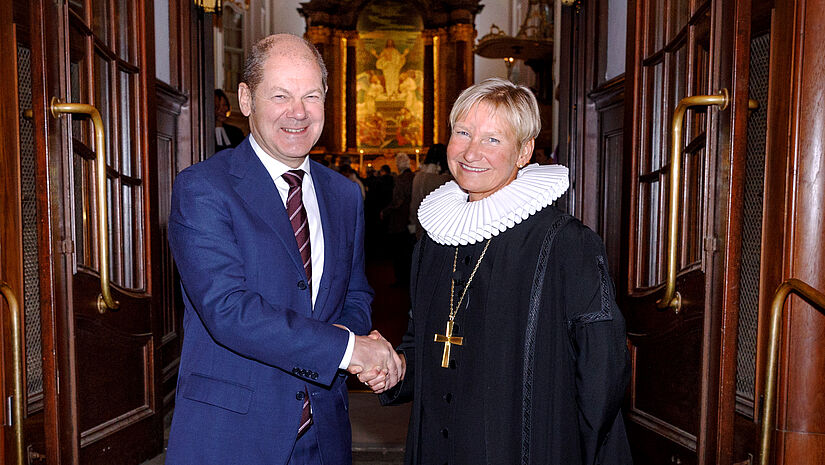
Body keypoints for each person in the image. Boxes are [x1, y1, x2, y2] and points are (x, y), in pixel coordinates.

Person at [166, 34, 403, 465]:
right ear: (246, 99)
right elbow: (229, 311)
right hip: (234, 436)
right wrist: (350, 351)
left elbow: (355, 295)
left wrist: (356, 349)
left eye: (311, 96)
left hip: (324, 433)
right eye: (280, 95)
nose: (298, 113)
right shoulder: (203, 189)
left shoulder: (344, 195)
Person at [373, 78, 632, 464]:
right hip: (438, 446)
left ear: (524, 151)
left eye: (493, 139)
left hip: (526, 447)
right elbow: (422, 343)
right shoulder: (434, 237)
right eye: (463, 132)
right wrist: (394, 370)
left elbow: (601, 374)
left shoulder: (567, 244)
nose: (471, 152)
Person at [381, 153, 415, 287]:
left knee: (399, 252)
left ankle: (401, 279)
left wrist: (385, 211)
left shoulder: (401, 179)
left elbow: (397, 201)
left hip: (399, 220)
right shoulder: (415, 177)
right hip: (411, 218)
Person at [409, 143, 451, 240]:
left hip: (422, 225)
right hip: (442, 229)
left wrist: (412, 222)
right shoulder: (447, 180)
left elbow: (414, 203)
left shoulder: (419, 177)